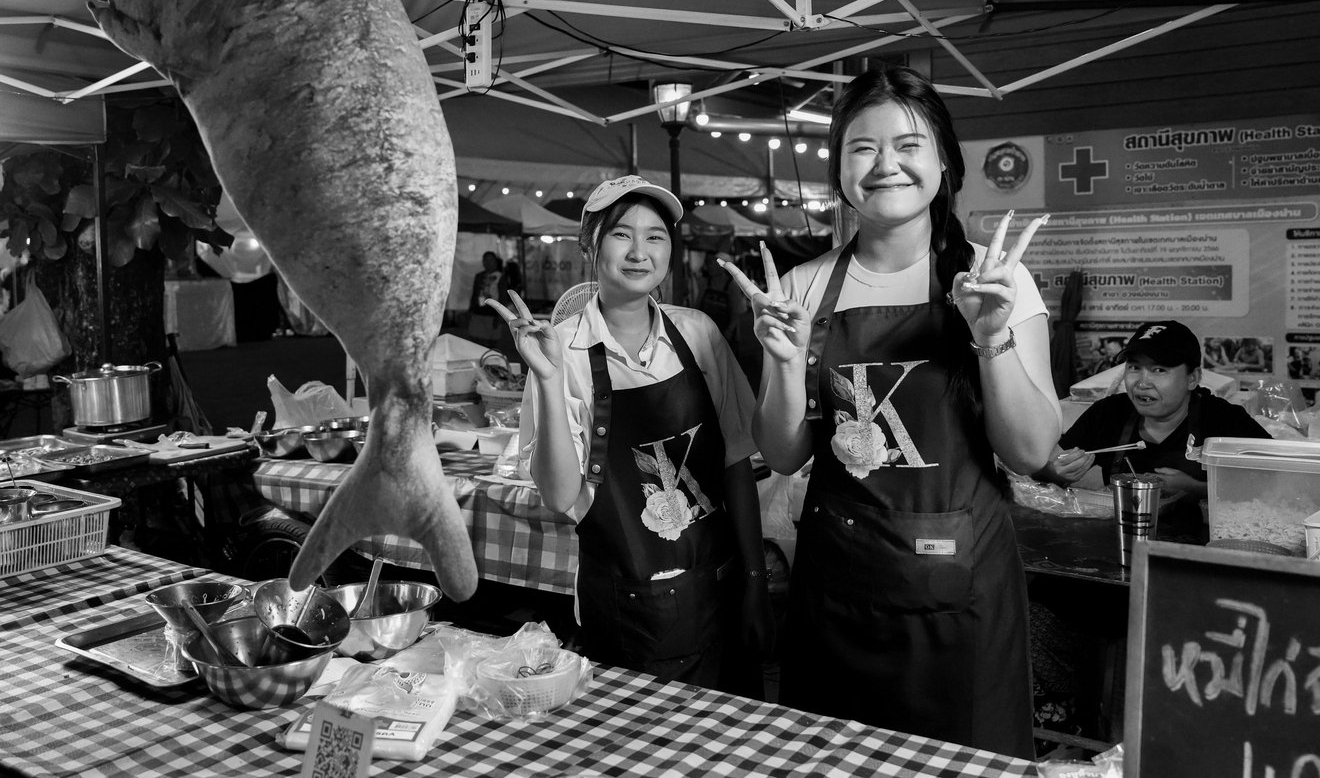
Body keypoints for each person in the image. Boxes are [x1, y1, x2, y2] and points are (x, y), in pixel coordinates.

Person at [719, 66, 1059, 758]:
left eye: (908, 145)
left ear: (943, 161)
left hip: (964, 602)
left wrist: (991, 336)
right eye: (861, 148)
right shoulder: (803, 286)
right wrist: (783, 363)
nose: (885, 165)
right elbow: (784, 455)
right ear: (840, 169)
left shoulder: (995, 280)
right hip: (840, 596)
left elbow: (1030, 451)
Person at [486, 175, 773, 697]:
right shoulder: (560, 349)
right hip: (626, 608)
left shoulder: (699, 333)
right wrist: (549, 381)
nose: (640, 251)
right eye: (621, 234)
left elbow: (735, 466)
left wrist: (755, 582)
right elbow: (560, 494)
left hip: (718, 590)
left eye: (656, 236)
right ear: (590, 247)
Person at [1039, 319, 1269, 531]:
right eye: (1134, 367)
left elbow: (1277, 482)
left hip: (1201, 552)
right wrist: (1056, 472)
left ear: (1192, 378)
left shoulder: (1223, 419)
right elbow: (1046, 468)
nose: (1143, 382)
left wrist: (1195, 489)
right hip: (1120, 541)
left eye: (1159, 370)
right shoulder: (1108, 413)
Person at [466, 251, 504, 345]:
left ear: (495, 261)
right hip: (478, 312)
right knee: (475, 341)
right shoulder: (479, 276)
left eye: (490, 260)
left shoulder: (501, 277)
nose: (488, 263)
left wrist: (500, 316)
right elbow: (475, 294)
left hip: (493, 313)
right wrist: (471, 310)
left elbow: (503, 296)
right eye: (485, 260)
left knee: (491, 343)